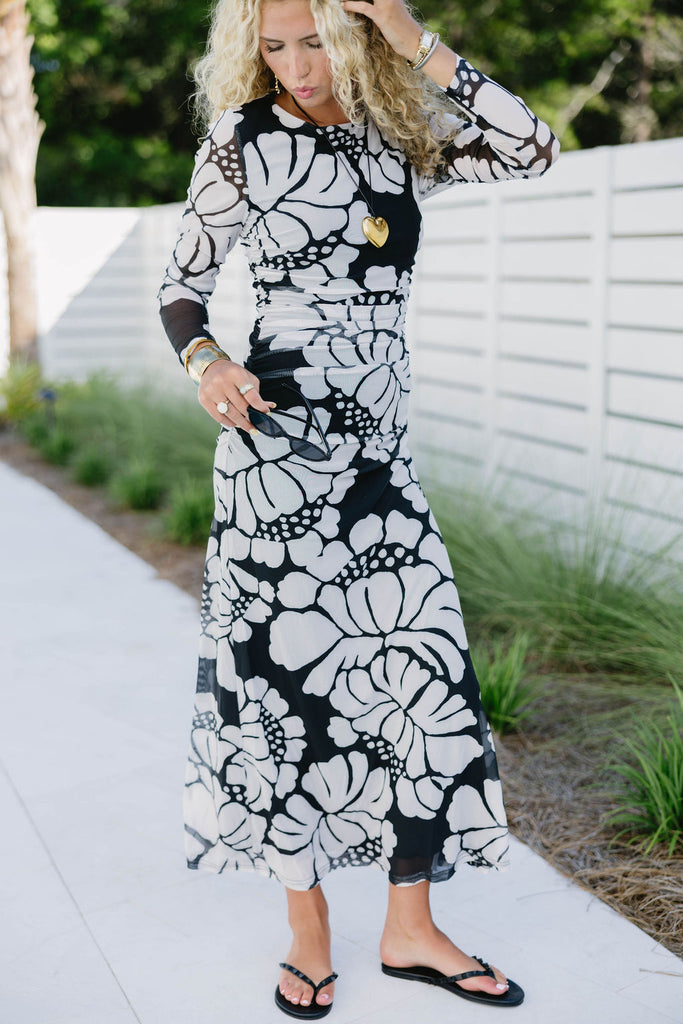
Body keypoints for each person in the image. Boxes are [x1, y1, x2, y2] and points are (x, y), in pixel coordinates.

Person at [157, 0, 559, 1016]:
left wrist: (413, 37)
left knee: (419, 680)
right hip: (276, 457)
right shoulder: (243, 140)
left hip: (379, 463)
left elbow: (532, 148)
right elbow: (181, 286)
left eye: (314, 41)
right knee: (285, 693)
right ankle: (308, 931)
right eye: (274, 45)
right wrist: (207, 363)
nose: (295, 65)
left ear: (354, 37)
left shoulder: (402, 133)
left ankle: (409, 927)